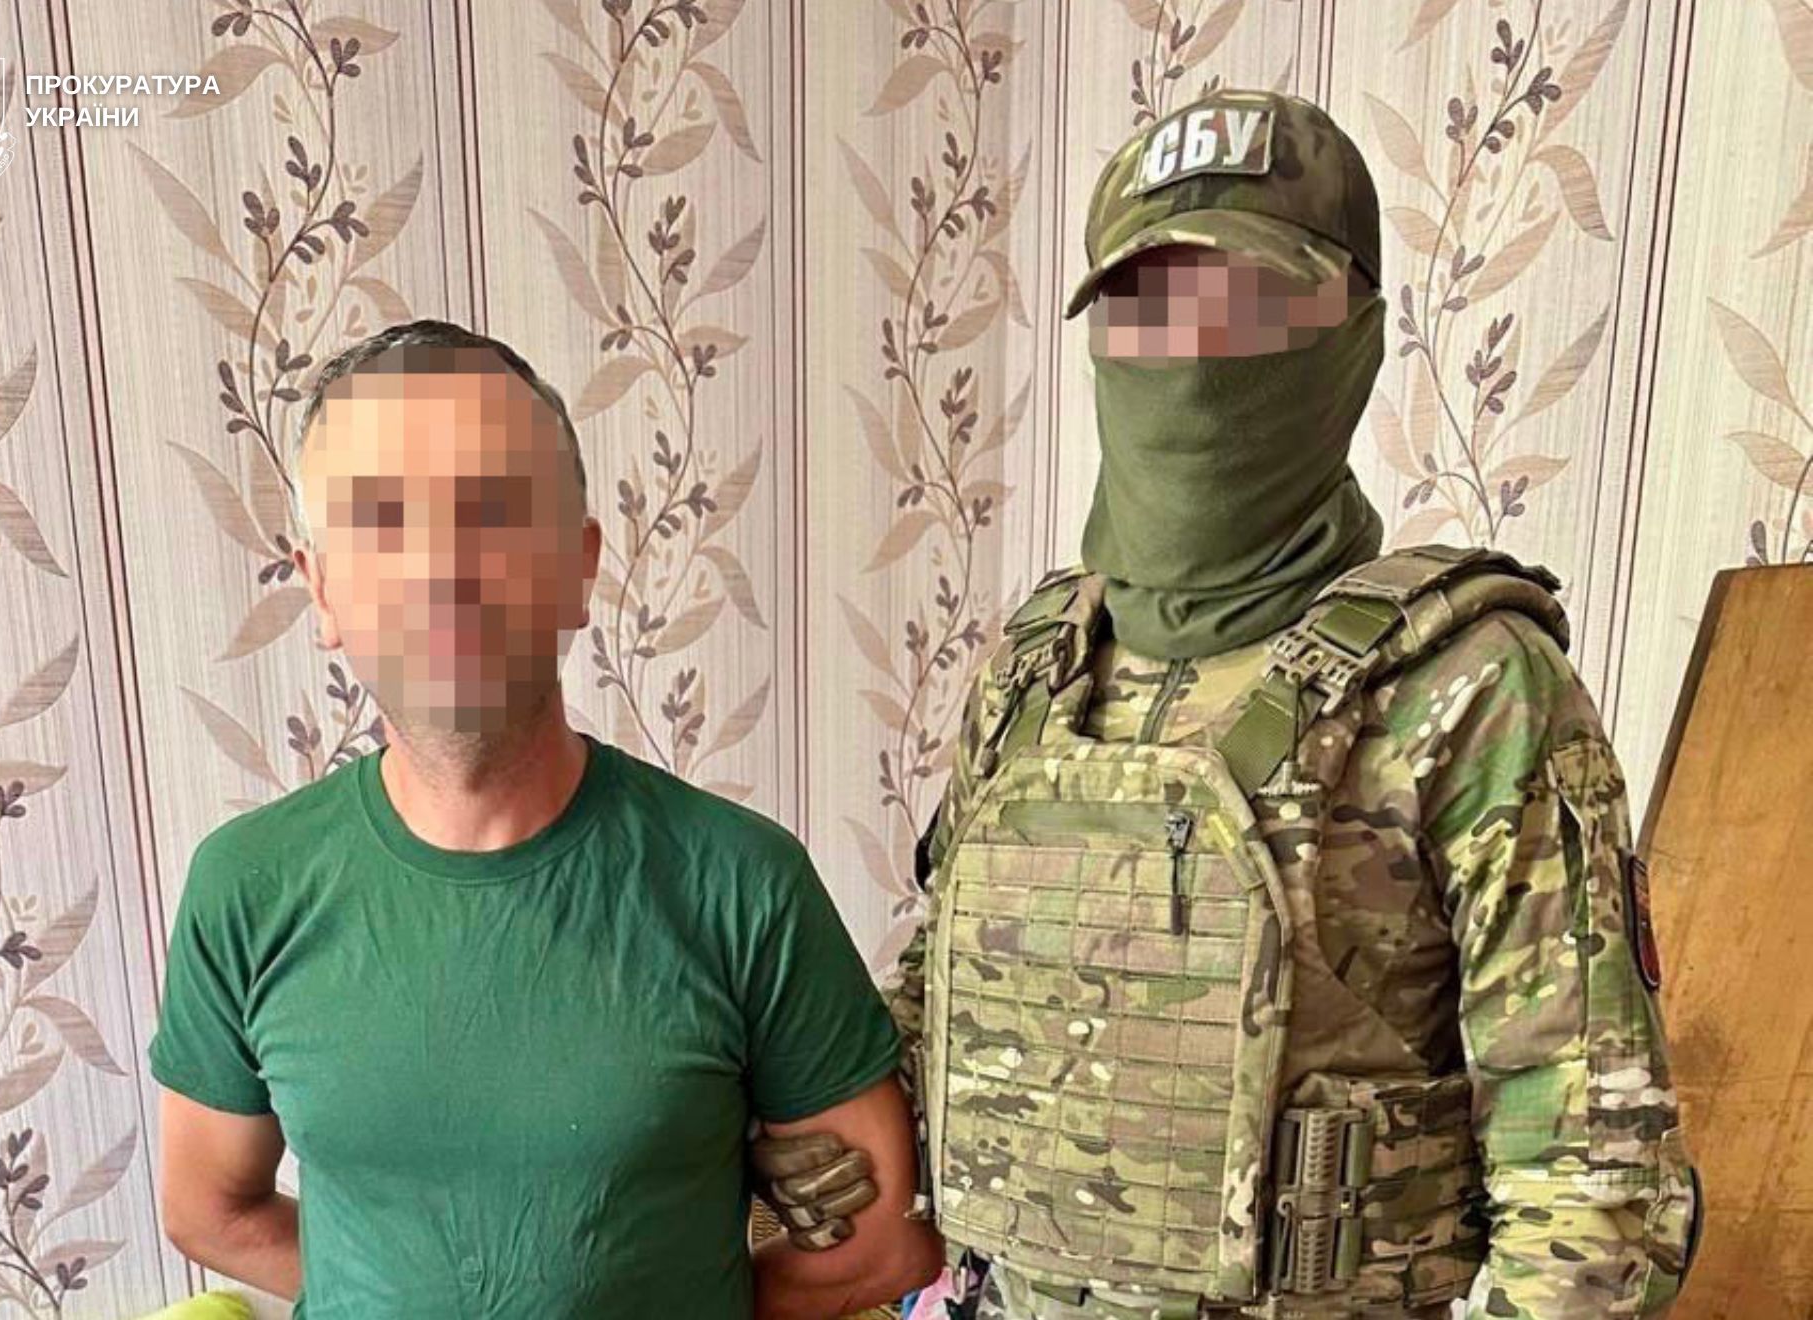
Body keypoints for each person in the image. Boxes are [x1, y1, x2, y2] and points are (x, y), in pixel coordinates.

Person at [770, 89, 1702, 1319]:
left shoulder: (1471, 685)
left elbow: (1591, 1185)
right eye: (1147, 309)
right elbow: (947, 1005)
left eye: (1254, 303)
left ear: (1354, 339)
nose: (1193, 351)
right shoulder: (1032, 672)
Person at [147, 319, 942, 1320]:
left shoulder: (742, 883)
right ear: (323, 590)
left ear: (578, 566)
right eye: (381, 520)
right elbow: (209, 1207)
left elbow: (876, 1246)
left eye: (491, 508)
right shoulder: (246, 886)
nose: (439, 565)